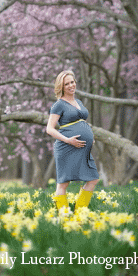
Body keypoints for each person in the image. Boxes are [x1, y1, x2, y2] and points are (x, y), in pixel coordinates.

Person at [44, 70, 100, 212]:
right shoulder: (59, 105)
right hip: (66, 146)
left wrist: (89, 136)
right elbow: (49, 129)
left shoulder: (78, 102)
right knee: (63, 183)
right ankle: (64, 217)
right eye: (66, 84)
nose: (71, 85)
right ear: (61, 87)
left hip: (82, 147)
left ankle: (79, 213)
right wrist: (68, 140)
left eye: (72, 82)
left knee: (93, 178)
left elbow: (81, 122)